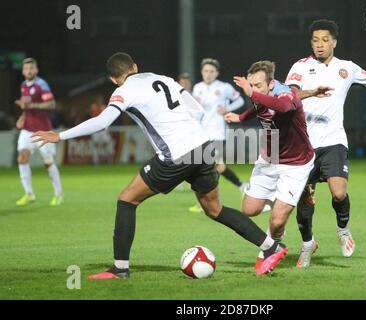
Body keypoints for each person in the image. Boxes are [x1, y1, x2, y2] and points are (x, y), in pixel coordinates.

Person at [32, 52, 287, 278]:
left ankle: (120, 268)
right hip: (203, 146)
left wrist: (60, 135)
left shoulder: (122, 91)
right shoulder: (162, 78)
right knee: (215, 209)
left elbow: (102, 122)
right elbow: (197, 110)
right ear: (135, 67)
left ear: (113, 79)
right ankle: (271, 246)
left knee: (126, 200)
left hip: (176, 155)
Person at [285, 19, 366, 268]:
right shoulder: (300, 66)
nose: (320, 45)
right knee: (304, 199)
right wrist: (312, 92)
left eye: (325, 40)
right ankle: (308, 244)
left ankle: (343, 229)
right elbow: (289, 94)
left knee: (338, 193)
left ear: (334, 42)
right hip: (304, 144)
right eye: (315, 40)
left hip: (333, 141)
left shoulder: (347, 68)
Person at [225, 61, 329, 269]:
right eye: (251, 85)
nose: (254, 90)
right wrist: (242, 116)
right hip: (270, 157)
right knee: (249, 209)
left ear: (272, 84)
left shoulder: (286, 93)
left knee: (277, 220)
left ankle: (271, 251)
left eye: (258, 86)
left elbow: (283, 107)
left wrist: (251, 93)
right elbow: (259, 105)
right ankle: (294, 197)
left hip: (296, 163)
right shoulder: (259, 93)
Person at [188, 58, 247, 213]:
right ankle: (242, 186)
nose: (208, 74)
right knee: (217, 166)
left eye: (211, 71)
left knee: (208, 167)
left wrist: (227, 109)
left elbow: (240, 100)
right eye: (206, 71)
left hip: (219, 132)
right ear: (202, 72)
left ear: (217, 73)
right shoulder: (197, 87)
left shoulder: (224, 87)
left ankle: (206, 201)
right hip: (202, 133)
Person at [15, 57, 64, 206]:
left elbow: (51, 104)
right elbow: (26, 106)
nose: (28, 71)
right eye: (26, 69)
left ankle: (58, 194)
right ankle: (29, 194)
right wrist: (22, 116)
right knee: (22, 158)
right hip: (27, 129)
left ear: (36, 70)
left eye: (31, 68)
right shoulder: (23, 85)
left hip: (43, 129)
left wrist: (32, 105)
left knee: (48, 162)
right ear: (23, 71)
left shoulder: (41, 84)